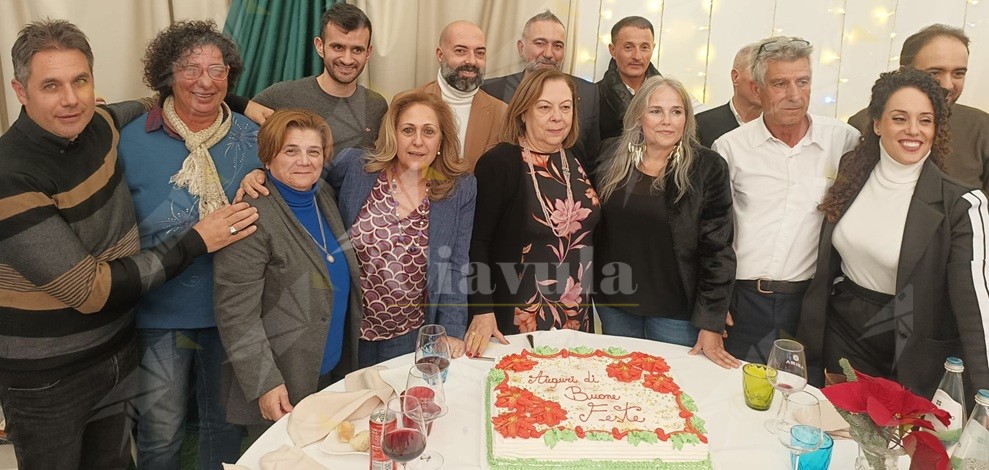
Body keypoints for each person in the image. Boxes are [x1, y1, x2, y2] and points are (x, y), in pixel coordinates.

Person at [0, 19, 257, 470]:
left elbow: (184, 95)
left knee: (185, 438)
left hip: (119, 343)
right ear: (21, 91)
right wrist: (198, 239)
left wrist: (246, 107)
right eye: (51, 85)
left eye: (80, 81)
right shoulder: (14, 174)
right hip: (50, 371)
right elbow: (90, 288)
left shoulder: (99, 125)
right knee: (160, 435)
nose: (70, 98)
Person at [116, 20, 260, 469]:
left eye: (217, 70)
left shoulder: (254, 138)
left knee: (225, 428)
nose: (205, 81)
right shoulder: (130, 140)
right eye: (190, 68)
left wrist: (267, 177)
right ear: (167, 75)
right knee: (161, 435)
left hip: (232, 312)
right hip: (158, 314)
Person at [797, 68, 989, 397]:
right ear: (877, 124)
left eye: (925, 120)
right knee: (842, 424)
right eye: (900, 118)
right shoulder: (852, 170)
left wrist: (985, 395)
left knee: (898, 431)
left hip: (912, 345)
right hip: (845, 333)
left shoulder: (962, 204)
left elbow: (976, 309)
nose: (913, 130)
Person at [214, 109, 362, 441]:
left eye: (314, 151)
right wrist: (265, 382)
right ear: (268, 158)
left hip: (330, 368)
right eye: (291, 151)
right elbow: (236, 313)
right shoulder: (250, 215)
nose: (305, 161)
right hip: (283, 379)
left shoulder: (322, 195)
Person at [712, 36, 860, 364]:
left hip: (812, 305)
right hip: (743, 303)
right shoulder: (730, 148)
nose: (794, 95)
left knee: (802, 390)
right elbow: (711, 235)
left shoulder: (843, 141)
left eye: (802, 82)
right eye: (780, 83)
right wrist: (713, 304)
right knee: (735, 389)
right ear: (757, 89)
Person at [594, 76, 739, 369]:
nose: (667, 121)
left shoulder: (707, 166)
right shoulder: (609, 154)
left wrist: (711, 319)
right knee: (620, 385)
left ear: (687, 118)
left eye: (676, 111)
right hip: (614, 305)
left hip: (675, 314)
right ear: (639, 115)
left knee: (673, 385)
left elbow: (718, 250)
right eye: (656, 111)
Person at [465, 68, 600, 357]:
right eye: (544, 107)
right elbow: (477, 243)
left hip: (576, 312)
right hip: (519, 315)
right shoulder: (499, 163)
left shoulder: (576, 156)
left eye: (566, 107)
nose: (557, 117)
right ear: (523, 112)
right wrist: (482, 309)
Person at [848, 24, 989, 195]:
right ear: (905, 72)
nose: (947, 85)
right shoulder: (862, 122)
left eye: (958, 73)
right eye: (935, 73)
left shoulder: (982, 127)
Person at [252, 3, 387, 159]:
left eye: (357, 50)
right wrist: (255, 169)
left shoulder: (377, 105)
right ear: (319, 46)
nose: (347, 59)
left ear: (368, 53)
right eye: (338, 47)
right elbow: (235, 126)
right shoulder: (281, 95)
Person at [481, 11, 601, 174]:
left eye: (557, 46)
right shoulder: (492, 91)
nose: (549, 54)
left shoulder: (588, 93)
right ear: (521, 48)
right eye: (540, 43)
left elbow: (591, 161)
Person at [397, 20, 506, 169]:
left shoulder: (502, 113)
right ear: (440, 55)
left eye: (479, 53)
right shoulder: (405, 104)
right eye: (461, 51)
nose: (471, 61)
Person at [596, 16, 663, 142]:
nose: (637, 56)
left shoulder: (668, 95)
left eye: (644, 47)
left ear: (653, 49)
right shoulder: (594, 96)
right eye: (628, 47)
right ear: (612, 50)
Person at [695, 43, 762, 148]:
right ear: (735, 77)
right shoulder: (701, 124)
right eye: (758, 73)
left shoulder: (783, 126)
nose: (764, 81)